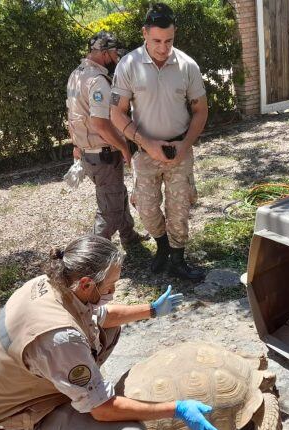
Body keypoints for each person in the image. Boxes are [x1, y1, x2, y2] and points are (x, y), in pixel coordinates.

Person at [0, 235, 224, 430]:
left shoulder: (55, 283)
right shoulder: (60, 337)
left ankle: (77, 395)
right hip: (16, 417)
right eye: (111, 286)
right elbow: (103, 410)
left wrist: (152, 310)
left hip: (20, 382)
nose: (113, 292)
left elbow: (100, 316)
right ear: (86, 284)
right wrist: (177, 409)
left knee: (109, 330)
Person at [110, 3, 208, 281]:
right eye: (156, 41)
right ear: (144, 33)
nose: (163, 48)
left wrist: (185, 144)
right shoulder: (128, 65)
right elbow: (115, 113)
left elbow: (201, 110)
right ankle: (162, 247)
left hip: (179, 150)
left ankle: (177, 259)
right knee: (147, 209)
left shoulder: (187, 65)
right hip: (145, 152)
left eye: (169, 41)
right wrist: (146, 142)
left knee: (179, 210)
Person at [67, 31, 147, 248]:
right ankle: (92, 255)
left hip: (88, 153)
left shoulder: (76, 74)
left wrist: (76, 144)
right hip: (103, 155)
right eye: (113, 54)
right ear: (103, 53)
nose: (116, 59)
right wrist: (124, 148)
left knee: (116, 193)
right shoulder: (98, 81)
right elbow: (100, 124)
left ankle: (129, 236)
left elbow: (73, 114)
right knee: (108, 210)